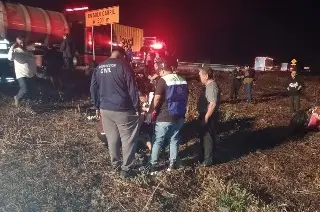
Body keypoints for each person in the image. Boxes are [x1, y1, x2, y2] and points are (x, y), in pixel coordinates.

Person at [90, 47, 140, 179]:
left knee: (112, 138)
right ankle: (126, 169)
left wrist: (96, 105)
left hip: (105, 109)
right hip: (123, 109)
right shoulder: (124, 65)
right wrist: (137, 106)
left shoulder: (99, 67)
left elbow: (93, 88)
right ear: (122, 55)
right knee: (128, 139)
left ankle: (115, 164)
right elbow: (132, 88)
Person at [148, 60, 188, 173]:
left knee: (158, 141)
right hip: (179, 115)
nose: (159, 74)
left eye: (159, 72)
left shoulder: (163, 80)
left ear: (162, 70)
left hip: (164, 116)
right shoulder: (183, 79)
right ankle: (172, 164)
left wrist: (150, 112)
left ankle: (153, 165)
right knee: (174, 139)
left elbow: (156, 99)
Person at [197, 67, 220, 166]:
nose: (200, 78)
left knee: (208, 137)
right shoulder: (208, 86)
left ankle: (208, 160)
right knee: (205, 137)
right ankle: (205, 157)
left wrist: (206, 118)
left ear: (206, 76)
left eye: (200, 75)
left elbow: (212, 104)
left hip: (209, 115)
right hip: (206, 114)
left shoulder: (211, 87)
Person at [8, 36, 37, 107]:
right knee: (24, 89)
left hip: (30, 73)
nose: (22, 44)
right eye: (20, 43)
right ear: (17, 43)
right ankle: (17, 97)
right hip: (21, 73)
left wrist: (35, 71)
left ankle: (28, 104)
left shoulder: (28, 52)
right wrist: (12, 47)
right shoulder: (16, 51)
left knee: (31, 90)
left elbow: (33, 62)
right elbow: (10, 57)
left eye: (23, 42)